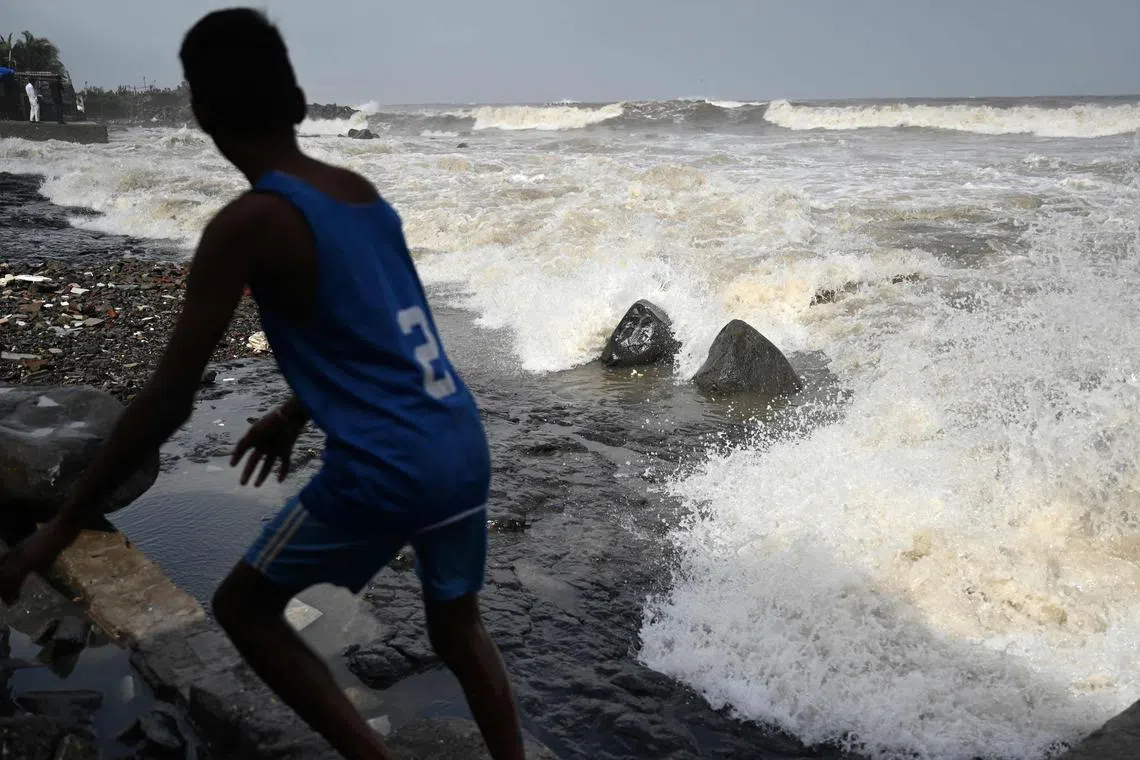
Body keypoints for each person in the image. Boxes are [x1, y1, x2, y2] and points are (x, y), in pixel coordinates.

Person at [0, 8, 526, 760]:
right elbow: (388, 341)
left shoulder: (248, 223)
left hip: (388, 464)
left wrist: (60, 524)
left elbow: (169, 399)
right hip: (459, 441)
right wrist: (290, 411)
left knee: (244, 608)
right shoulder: (357, 192)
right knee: (456, 624)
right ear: (300, 103)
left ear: (203, 112)